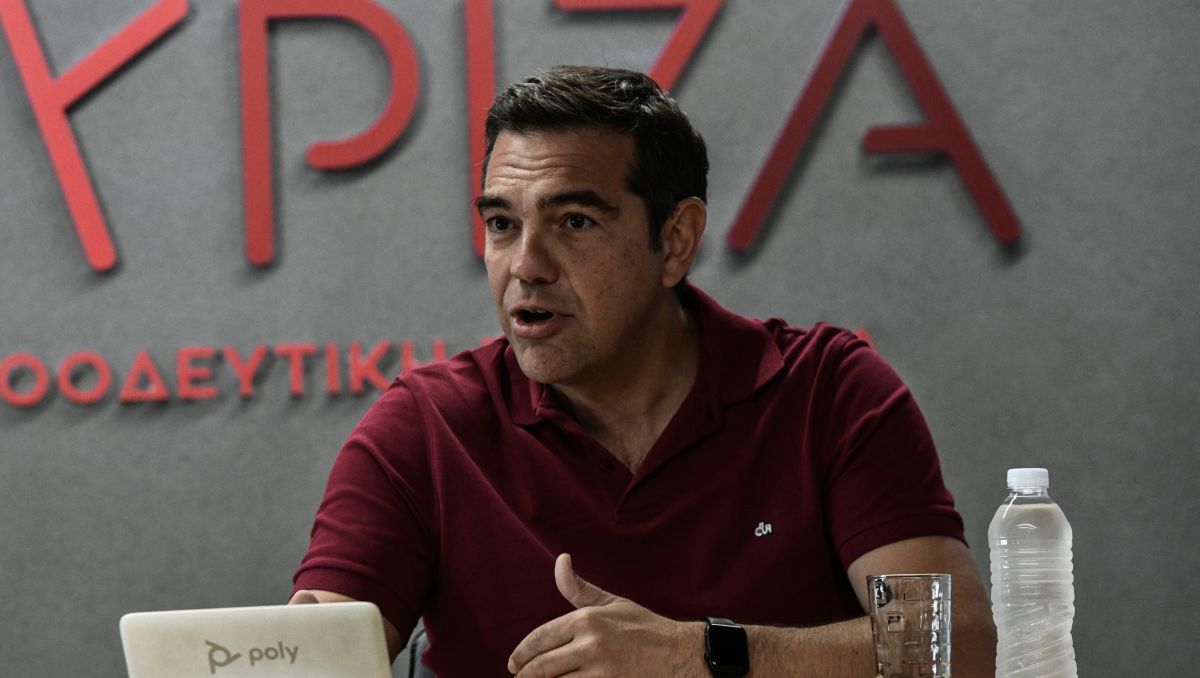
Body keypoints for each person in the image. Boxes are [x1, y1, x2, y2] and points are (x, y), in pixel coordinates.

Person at [291, 65, 996, 677]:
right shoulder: (424, 427)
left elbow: (956, 648)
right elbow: (314, 652)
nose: (526, 266)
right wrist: (292, 646)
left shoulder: (828, 390)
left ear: (676, 239)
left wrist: (703, 656)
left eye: (574, 221)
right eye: (503, 224)